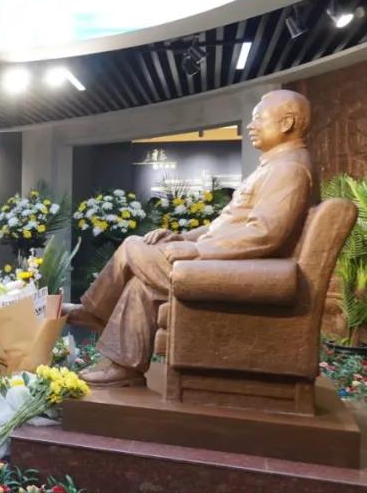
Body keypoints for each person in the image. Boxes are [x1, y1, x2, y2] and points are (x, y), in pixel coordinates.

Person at [65, 90, 315, 386]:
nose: (251, 126)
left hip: (230, 269)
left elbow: (265, 235)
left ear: (286, 123)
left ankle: (93, 312)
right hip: (224, 262)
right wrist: (181, 236)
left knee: (132, 245)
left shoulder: (289, 169)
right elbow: (226, 226)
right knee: (140, 285)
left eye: (259, 118)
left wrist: (198, 252)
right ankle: (125, 367)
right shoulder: (276, 166)